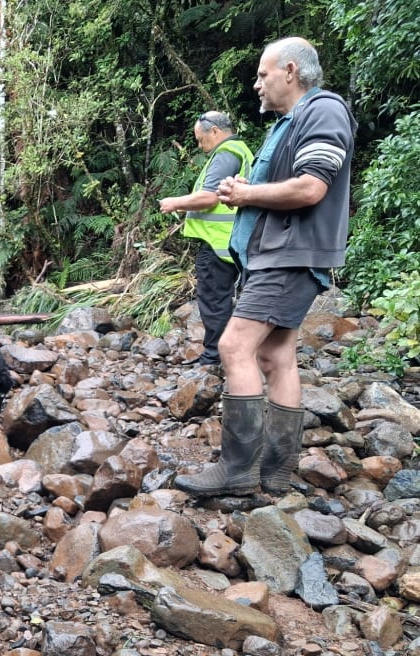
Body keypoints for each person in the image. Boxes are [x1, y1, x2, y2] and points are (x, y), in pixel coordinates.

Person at [175, 37, 356, 497]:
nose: (256, 84)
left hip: (290, 253)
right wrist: (248, 188)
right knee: (275, 356)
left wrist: (246, 193)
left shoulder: (323, 111)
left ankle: (237, 470)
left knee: (234, 344)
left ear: (291, 71)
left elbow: (311, 188)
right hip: (280, 253)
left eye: (262, 74)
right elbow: (285, 184)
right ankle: (274, 472)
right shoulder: (289, 122)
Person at [160, 112, 253, 366]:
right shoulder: (238, 151)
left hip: (218, 243)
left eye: (201, 140)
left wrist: (175, 203)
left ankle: (214, 357)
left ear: (214, 131)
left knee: (214, 300)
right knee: (224, 299)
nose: (200, 147)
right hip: (230, 242)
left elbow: (210, 197)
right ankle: (227, 355)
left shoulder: (227, 154)